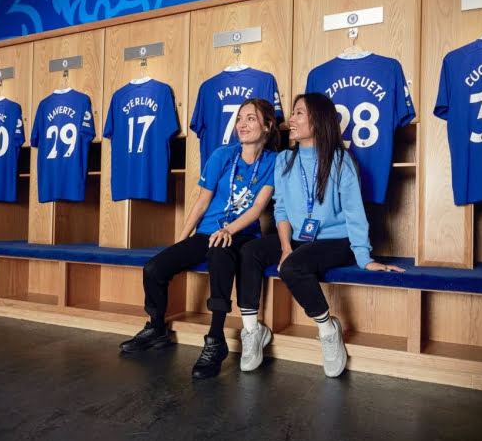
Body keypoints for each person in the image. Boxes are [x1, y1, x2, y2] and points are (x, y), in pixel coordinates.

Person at [236, 92, 404, 377]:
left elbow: (354, 213)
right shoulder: (284, 160)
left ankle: (328, 330)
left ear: (319, 119)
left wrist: (365, 258)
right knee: (249, 251)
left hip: (336, 241)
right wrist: (286, 244)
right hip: (299, 238)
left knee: (293, 266)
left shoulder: (341, 160)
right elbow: (283, 210)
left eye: (299, 112)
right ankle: (252, 331)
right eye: (293, 112)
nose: (292, 118)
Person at [119, 98, 280, 380]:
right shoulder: (221, 155)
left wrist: (229, 230)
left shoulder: (274, 162)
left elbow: (257, 208)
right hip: (207, 232)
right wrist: (182, 240)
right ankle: (156, 327)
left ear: (268, 126)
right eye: (240, 118)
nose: (242, 124)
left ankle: (215, 341)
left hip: (241, 235)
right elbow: (202, 203)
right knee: (154, 268)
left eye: (251, 118)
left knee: (220, 255)